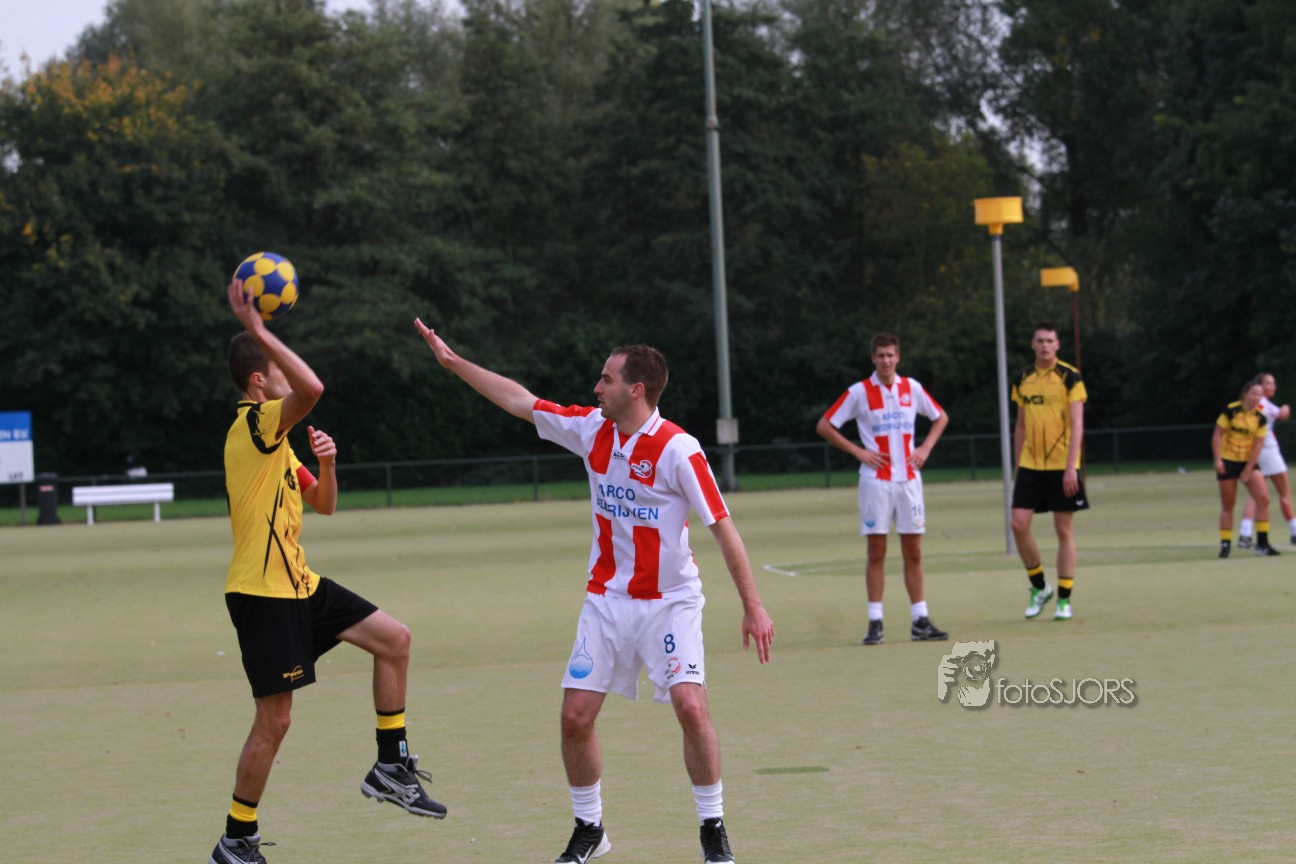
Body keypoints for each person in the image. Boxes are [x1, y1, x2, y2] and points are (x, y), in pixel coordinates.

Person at [414, 319, 774, 864]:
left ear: (636, 389)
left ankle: (712, 828)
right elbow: (519, 400)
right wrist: (452, 362)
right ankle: (590, 829)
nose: (596, 387)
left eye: (606, 379)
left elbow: (723, 528)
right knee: (574, 718)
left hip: (670, 603)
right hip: (606, 601)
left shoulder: (679, 450)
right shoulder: (591, 429)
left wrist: (754, 606)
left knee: (690, 706)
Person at [211, 280, 446, 864]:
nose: (288, 375)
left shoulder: (279, 442)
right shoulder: (256, 423)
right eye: (277, 365)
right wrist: (259, 329)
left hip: (300, 585)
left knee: (394, 639)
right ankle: (237, 839)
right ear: (259, 381)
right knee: (275, 721)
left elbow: (324, 504)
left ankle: (390, 766)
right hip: (263, 593)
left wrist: (328, 464)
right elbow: (312, 388)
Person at [815, 332, 951, 646]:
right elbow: (825, 425)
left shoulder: (911, 388)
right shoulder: (860, 392)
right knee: (876, 551)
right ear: (873, 358)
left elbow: (940, 417)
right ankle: (875, 621)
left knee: (913, 551)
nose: (886, 361)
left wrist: (926, 448)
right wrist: (857, 451)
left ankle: (920, 620)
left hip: (909, 481)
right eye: (881, 356)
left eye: (891, 355)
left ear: (898, 357)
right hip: (875, 481)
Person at [1010, 322, 1088, 621]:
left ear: (1057, 345)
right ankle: (1040, 586)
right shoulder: (1022, 378)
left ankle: (1064, 599)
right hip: (1030, 464)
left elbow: (1077, 424)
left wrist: (1071, 467)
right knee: (1018, 524)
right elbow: (1020, 425)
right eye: (1040, 341)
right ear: (1033, 344)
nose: (1045, 345)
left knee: (1063, 529)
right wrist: (1018, 465)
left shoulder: (1070, 377)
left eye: (1049, 341)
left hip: (1061, 465)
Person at [1212, 377, 1276, 558]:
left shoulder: (1260, 418)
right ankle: (1225, 545)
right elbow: (1217, 435)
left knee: (1263, 499)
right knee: (1228, 504)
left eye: (1259, 395)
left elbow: (1259, 444)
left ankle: (1262, 544)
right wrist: (1218, 460)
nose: (1257, 398)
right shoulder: (1231, 410)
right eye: (1253, 394)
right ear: (1245, 394)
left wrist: (1248, 468)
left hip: (1248, 461)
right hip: (1228, 460)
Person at [1236, 372, 1295, 549]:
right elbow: (1282, 414)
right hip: (1267, 451)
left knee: (1256, 494)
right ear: (1259, 386)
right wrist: (1286, 408)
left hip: (1252, 452)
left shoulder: (1254, 404)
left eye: (1273, 383)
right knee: (1284, 493)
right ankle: (1294, 532)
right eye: (1268, 383)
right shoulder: (1262, 404)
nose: (1272, 387)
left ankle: (1245, 534)